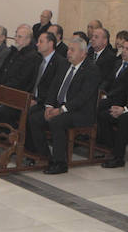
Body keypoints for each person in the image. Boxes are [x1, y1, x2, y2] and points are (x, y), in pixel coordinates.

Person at [28, 36, 100, 174]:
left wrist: (61, 110)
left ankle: (60, 163)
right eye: (68, 50)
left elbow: (82, 97)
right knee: (34, 118)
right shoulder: (65, 65)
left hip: (80, 112)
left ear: (83, 53)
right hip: (60, 107)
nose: (68, 53)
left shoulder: (92, 70)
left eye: (72, 50)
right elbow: (53, 87)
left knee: (56, 122)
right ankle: (46, 156)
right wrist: (48, 106)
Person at [0, 24, 39, 117]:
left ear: (28, 40)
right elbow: (1, 71)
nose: (16, 38)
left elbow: (21, 80)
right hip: (3, 91)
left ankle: (0, 130)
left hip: (16, 95)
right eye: (16, 35)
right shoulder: (13, 52)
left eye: (19, 37)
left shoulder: (32, 57)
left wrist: (3, 88)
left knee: (0, 110)